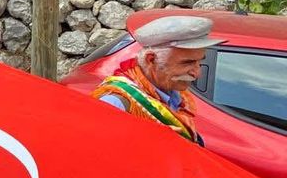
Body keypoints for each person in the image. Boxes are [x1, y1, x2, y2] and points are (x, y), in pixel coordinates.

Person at [91, 15, 224, 145]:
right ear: (151, 59)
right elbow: (95, 152)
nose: (197, 73)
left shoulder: (175, 92)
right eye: (187, 63)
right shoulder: (115, 103)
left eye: (199, 62)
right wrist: (148, 143)